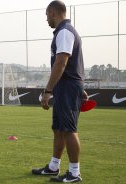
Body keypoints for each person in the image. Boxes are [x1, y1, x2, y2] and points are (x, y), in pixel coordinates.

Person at [31, 1, 88, 183]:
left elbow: (61, 63)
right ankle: (53, 167)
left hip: (67, 87)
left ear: (53, 12)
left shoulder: (64, 31)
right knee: (58, 129)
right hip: (68, 86)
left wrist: (48, 91)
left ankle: (74, 173)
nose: (46, 19)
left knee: (69, 130)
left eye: (47, 15)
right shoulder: (65, 31)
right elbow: (72, 64)